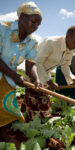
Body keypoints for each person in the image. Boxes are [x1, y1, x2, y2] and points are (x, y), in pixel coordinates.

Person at [21, 26, 75, 120]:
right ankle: (27, 121)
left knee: (39, 104)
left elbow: (65, 66)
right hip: (34, 75)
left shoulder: (70, 49)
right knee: (36, 104)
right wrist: (50, 82)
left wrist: (74, 79)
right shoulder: (51, 42)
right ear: (68, 36)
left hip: (45, 76)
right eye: (74, 42)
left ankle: (24, 116)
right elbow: (38, 63)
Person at [0, 1, 42, 139]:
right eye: (33, 22)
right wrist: (14, 75)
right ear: (22, 16)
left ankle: (2, 130)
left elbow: (31, 65)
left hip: (8, 76)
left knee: (6, 105)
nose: (35, 27)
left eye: (38, 25)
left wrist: (36, 78)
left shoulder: (32, 42)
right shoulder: (2, 28)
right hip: (9, 74)